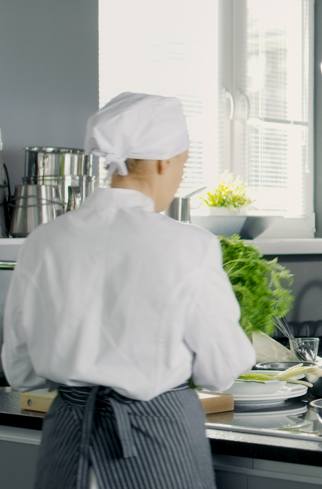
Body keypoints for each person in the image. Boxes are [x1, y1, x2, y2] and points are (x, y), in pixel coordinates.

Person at [1, 92, 256, 489]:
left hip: (68, 442)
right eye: (182, 165)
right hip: (158, 442)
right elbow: (221, 369)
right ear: (161, 161)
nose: (180, 177)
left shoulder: (44, 241)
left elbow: (21, 370)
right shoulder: (187, 246)